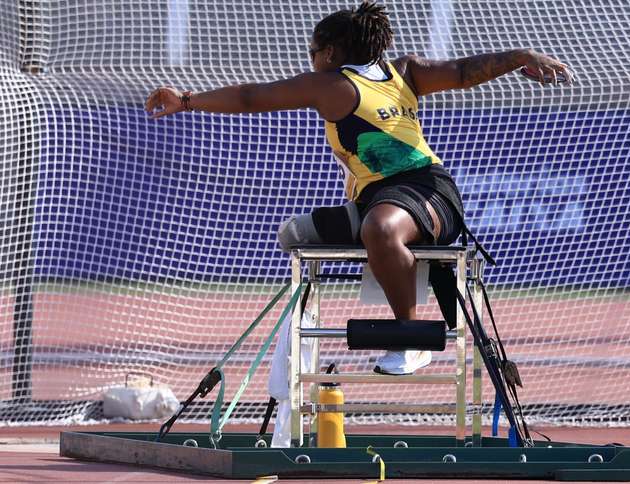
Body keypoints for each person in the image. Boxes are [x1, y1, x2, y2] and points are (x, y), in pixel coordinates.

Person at [145, 1, 572, 375]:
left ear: (328, 53)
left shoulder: (386, 74)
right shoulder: (349, 81)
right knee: (296, 234)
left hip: (429, 192)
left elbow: (253, 98)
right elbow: (254, 98)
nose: (311, 59)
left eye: (313, 52)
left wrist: (186, 100)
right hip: (376, 197)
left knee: (381, 230)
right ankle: (297, 364)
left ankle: (410, 338)